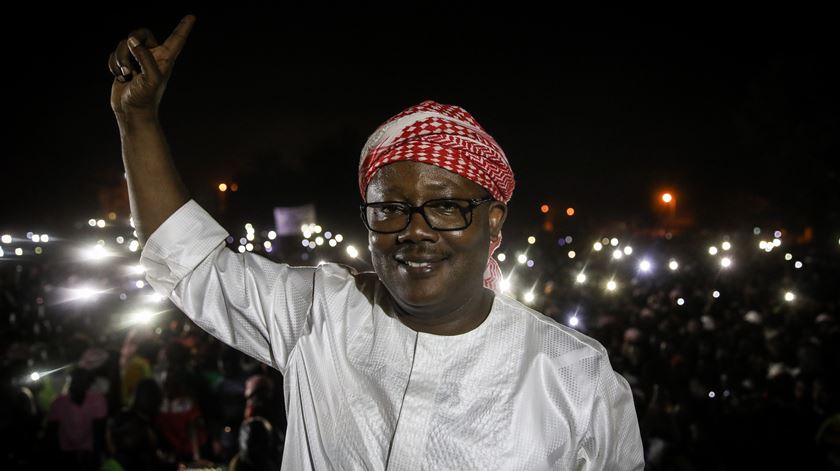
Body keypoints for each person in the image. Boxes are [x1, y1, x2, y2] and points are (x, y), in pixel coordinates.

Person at [108, 15, 644, 469]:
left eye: (446, 206)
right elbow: (187, 258)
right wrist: (137, 121)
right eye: (390, 208)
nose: (415, 230)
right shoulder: (318, 312)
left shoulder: (576, 376)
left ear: (494, 221)